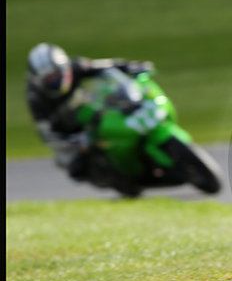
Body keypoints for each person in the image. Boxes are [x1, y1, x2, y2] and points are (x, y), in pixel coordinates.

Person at [25, 42, 155, 182]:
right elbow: (46, 129)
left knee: (112, 109)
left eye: (56, 75)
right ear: (38, 79)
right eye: (49, 79)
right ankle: (107, 176)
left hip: (85, 107)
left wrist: (129, 66)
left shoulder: (74, 66)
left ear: (64, 68)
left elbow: (103, 66)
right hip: (66, 128)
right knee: (76, 167)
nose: (55, 81)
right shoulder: (35, 97)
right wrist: (68, 140)